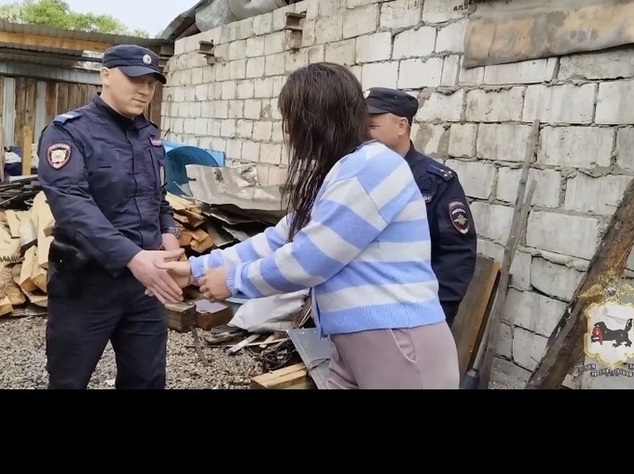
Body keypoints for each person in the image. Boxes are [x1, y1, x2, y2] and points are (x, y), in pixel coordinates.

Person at [157, 62, 460, 389]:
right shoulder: (343, 171)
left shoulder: (371, 168)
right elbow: (278, 239)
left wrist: (233, 280)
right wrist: (195, 269)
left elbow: (309, 260)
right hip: (358, 341)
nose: (288, 131)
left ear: (319, 120)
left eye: (293, 119)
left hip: (398, 344)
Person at [37, 44, 185, 390]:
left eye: (151, 82)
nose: (144, 89)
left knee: (146, 380)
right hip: (85, 283)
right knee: (69, 381)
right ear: (105, 75)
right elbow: (72, 206)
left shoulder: (149, 136)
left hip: (144, 287)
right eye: (135, 79)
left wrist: (169, 237)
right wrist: (132, 257)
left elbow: (157, 198)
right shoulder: (69, 132)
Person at [365, 87, 478, 328]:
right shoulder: (360, 174)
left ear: (402, 126)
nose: (364, 133)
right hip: (367, 312)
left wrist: (435, 314)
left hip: (416, 315)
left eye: (372, 126)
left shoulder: (436, 181)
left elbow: (457, 254)